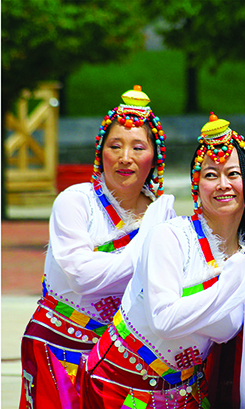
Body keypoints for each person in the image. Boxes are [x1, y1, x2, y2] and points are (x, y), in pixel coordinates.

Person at [81, 113, 245, 409]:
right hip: (118, 386)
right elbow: (164, 320)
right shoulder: (172, 237)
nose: (222, 185)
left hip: (183, 393)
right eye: (211, 175)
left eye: (233, 174)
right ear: (197, 186)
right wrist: (233, 282)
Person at [19, 85, 176, 409]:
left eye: (137, 147)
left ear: (154, 157)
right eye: (115, 145)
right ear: (100, 150)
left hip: (120, 357)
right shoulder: (76, 202)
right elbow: (82, 276)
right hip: (60, 346)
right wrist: (145, 245)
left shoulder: (163, 214)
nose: (125, 158)